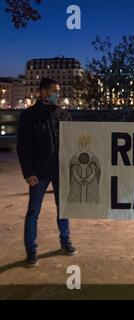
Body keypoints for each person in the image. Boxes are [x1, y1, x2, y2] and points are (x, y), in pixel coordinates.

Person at [17, 78, 78, 268]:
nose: (57, 94)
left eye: (58, 91)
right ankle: (31, 251)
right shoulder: (29, 115)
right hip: (39, 171)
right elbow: (23, 147)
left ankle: (65, 241)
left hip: (60, 170)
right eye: (54, 91)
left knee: (64, 209)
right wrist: (28, 172)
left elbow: (72, 142)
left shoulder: (63, 114)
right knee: (33, 211)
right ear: (42, 92)